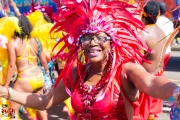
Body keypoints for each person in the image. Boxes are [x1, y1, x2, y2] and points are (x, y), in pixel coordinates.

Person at [0, 0, 179, 120]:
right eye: (87, 37)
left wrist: (176, 92)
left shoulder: (125, 71)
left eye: (100, 37)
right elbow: (44, 101)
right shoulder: (77, 72)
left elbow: (151, 83)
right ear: (79, 42)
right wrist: (8, 93)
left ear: (112, 41)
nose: (93, 43)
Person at [4, 15, 48, 120]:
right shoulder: (36, 41)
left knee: (12, 110)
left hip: (25, 80)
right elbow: (43, 61)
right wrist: (47, 77)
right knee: (41, 107)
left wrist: (5, 86)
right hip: (39, 78)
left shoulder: (13, 42)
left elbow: (11, 65)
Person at [139, 1, 168, 119]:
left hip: (147, 81)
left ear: (142, 14)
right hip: (158, 77)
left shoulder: (143, 34)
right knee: (152, 115)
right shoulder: (162, 32)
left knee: (141, 115)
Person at [156, 1, 174, 70]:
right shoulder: (169, 22)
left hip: (157, 53)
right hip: (167, 52)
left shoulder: (155, 22)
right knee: (161, 70)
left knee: (155, 72)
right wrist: (169, 49)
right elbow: (171, 39)